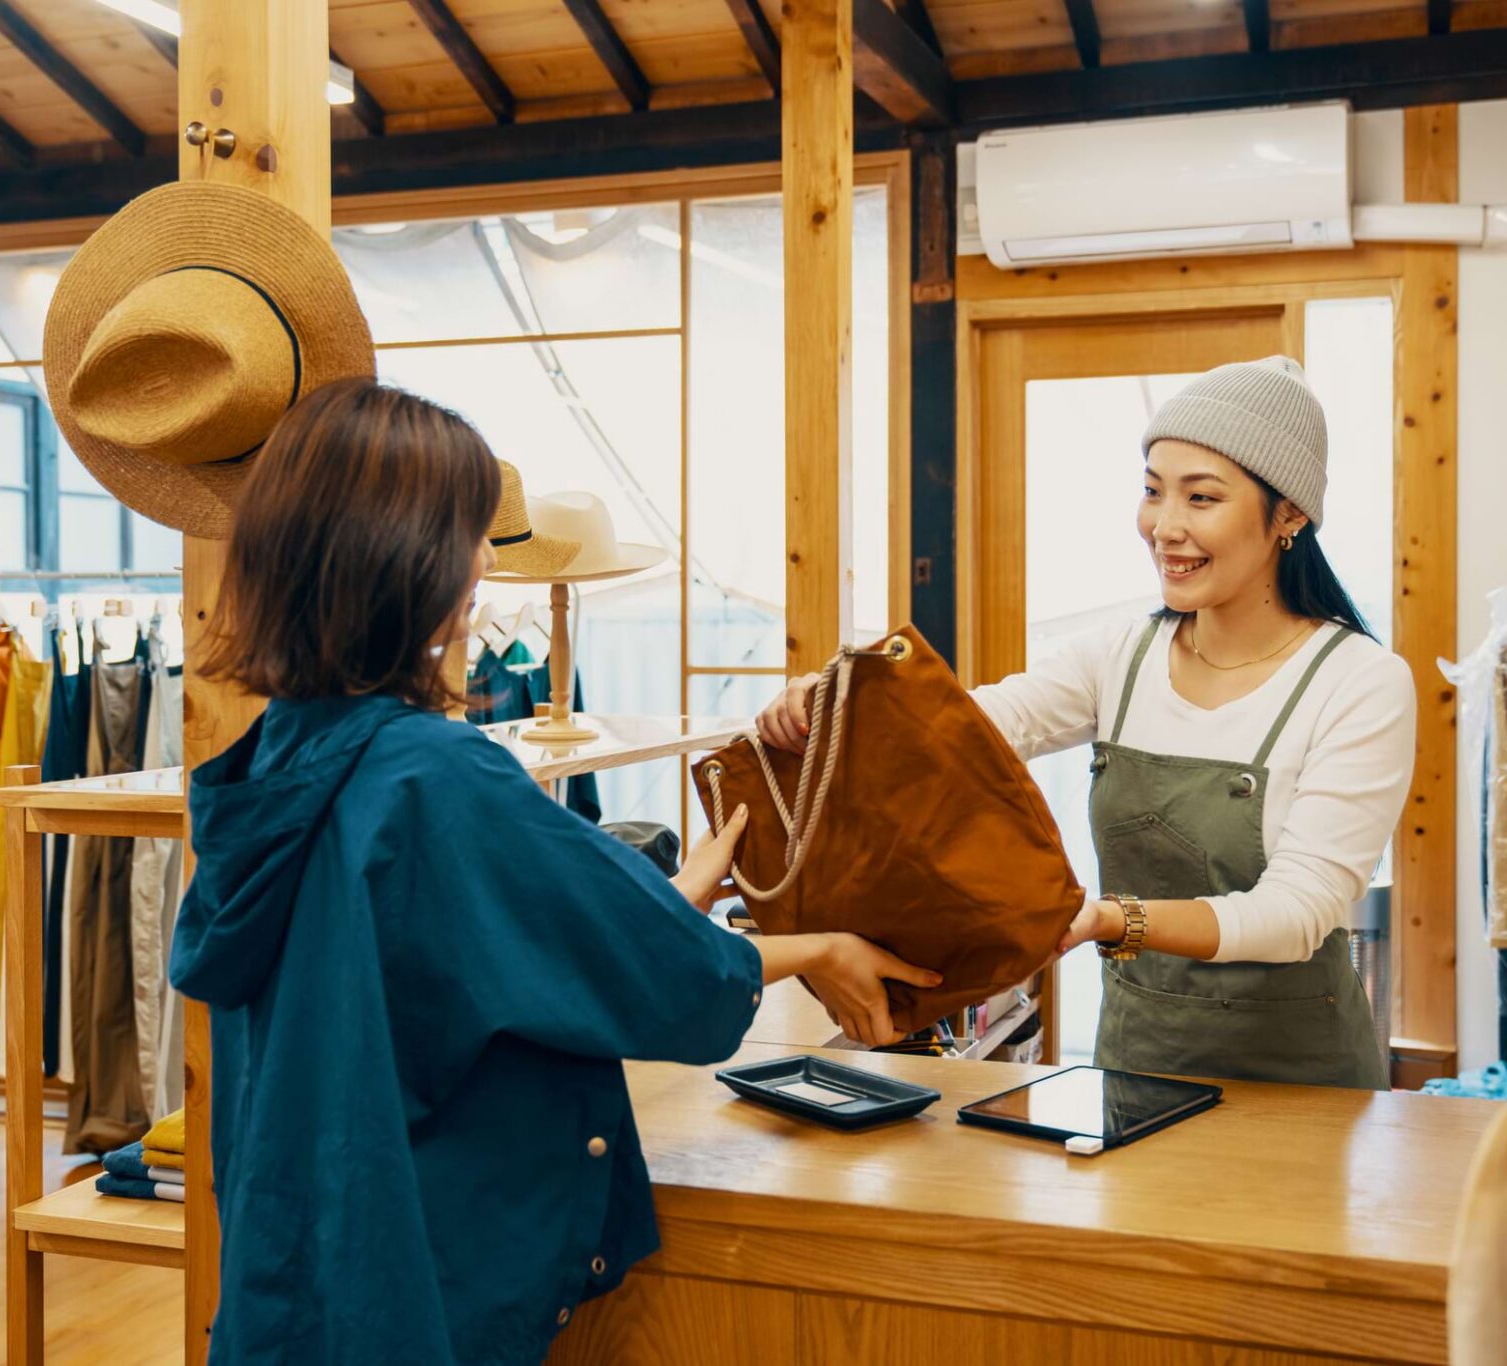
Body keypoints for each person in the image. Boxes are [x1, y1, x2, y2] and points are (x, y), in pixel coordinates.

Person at [168, 378, 938, 1364]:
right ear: (396, 552)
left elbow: (448, 960)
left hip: (298, 1273)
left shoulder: (273, 762)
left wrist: (659, 905)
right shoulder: (432, 775)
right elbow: (682, 990)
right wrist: (820, 944)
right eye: (466, 532)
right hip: (417, 1281)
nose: (485, 560)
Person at [760, 357, 1415, 1089]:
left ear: (1289, 514)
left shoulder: (1360, 683)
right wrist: (835, 703)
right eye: (1153, 491)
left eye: (1202, 498)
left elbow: (1295, 913)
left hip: (1300, 1085)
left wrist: (1109, 920)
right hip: (1136, 1065)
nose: (1165, 527)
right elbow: (962, 729)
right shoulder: (1121, 657)